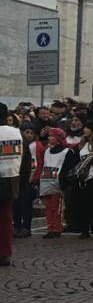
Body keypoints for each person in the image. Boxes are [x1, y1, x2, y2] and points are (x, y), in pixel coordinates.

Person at [38, 127, 73, 238]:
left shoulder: (66, 152)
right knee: (48, 207)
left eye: (51, 136)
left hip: (58, 182)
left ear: (57, 138)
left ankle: (57, 228)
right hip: (46, 181)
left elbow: (68, 167)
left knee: (56, 207)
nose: (49, 138)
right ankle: (50, 227)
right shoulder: (47, 151)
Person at [0, 107, 23, 266]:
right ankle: (4, 253)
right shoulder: (16, 132)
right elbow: (25, 156)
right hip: (12, 178)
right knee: (6, 218)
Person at [12, 125, 37, 239]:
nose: (29, 135)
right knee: (15, 205)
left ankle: (26, 227)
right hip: (15, 178)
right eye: (27, 132)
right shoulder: (18, 144)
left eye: (31, 132)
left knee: (26, 205)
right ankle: (17, 226)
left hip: (27, 180)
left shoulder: (32, 146)